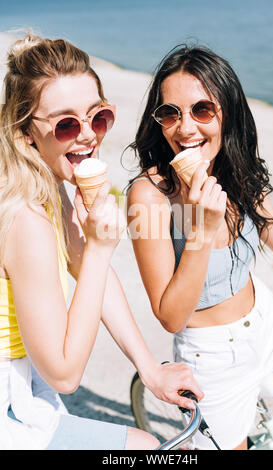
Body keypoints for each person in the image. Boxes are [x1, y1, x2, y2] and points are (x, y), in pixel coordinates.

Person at [0, 34, 204, 450]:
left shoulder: (44, 182)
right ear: (24, 131)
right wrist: (99, 248)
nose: (88, 136)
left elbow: (88, 266)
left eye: (99, 116)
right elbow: (64, 373)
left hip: (25, 385)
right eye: (66, 124)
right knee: (149, 450)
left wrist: (149, 369)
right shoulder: (24, 217)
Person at [126, 45, 273, 450]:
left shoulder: (233, 167)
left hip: (266, 319)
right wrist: (201, 230)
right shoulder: (148, 197)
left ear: (228, 112)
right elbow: (170, 316)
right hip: (213, 356)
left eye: (202, 109)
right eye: (170, 113)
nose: (184, 128)